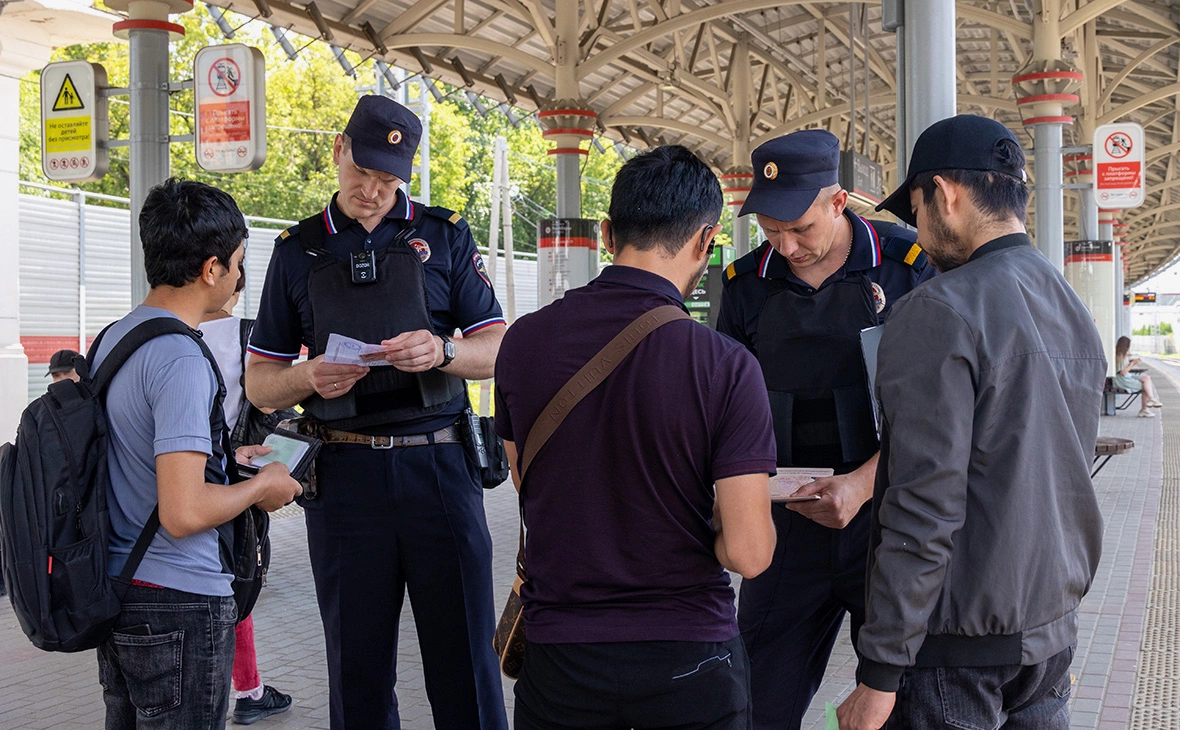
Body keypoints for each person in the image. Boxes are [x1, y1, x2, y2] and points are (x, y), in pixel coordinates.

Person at [244, 94, 508, 730]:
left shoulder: (444, 235)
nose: (371, 192)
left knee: (467, 665)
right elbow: (260, 384)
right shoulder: (298, 250)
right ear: (338, 150)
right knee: (356, 672)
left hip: (441, 468)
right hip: (343, 481)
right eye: (361, 172)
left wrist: (443, 350)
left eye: (388, 181)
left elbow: (498, 348)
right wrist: (307, 376)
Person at [494, 144, 777, 730]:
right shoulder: (726, 365)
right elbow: (750, 554)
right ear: (706, 240)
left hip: (561, 661)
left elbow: (527, 481)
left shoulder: (523, 343)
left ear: (606, 233)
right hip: (689, 660)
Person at [837, 115, 1106, 730]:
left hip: (956, 650)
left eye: (916, 210)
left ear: (945, 193)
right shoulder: (1070, 304)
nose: (919, 232)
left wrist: (880, 670)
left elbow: (923, 503)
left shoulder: (938, 309)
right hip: (1049, 635)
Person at [716, 129, 934, 729]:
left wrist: (862, 485)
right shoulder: (744, 285)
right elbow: (726, 411)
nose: (786, 246)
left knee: (899, 706)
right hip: (785, 527)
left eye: (800, 228)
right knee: (754, 704)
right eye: (770, 230)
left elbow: (940, 411)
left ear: (838, 201)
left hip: (888, 525)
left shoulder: (907, 267)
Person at [93, 178, 302, 730]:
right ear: (212, 269)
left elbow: (137, 458)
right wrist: (261, 487)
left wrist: (228, 465)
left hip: (119, 589)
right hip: (178, 602)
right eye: (238, 262)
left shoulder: (115, 337)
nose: (238, 276)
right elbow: (183, 512)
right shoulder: (181, 358)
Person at [199, 268, 293, 726]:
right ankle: (247, 690)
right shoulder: (252, 337)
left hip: (172, 482)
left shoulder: (158, 334)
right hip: (235, 478)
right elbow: (274, 403)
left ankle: (246, 687)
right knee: (236, 581)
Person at [1114, 335, 1162, 417]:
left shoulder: (1121, 355)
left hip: (1126, 377)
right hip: (1122, 380)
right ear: (1126, 346)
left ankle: (1151, 401)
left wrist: (1131, 361)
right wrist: (1133, 364)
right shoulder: (1119, 356)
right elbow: (1123, 372)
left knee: (1147, 378)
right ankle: (1145, 409)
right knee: (1146, 387)